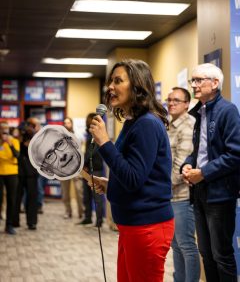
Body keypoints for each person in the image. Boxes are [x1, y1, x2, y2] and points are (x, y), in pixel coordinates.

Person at [88, 59, 174, 282]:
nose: (111, 88)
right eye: (110, 82)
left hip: (147, 226)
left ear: (137, 85)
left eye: (118, 81)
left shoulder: (147, 123)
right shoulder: (132, 122)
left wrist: (105, 144)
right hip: (131, 224)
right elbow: (136, 174)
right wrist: (111, 184)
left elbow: (134, 178)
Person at [182, 63, 240, 282]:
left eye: (199, 80)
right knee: (206, 254)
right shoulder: (200, 112)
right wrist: (187, 165)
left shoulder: (228, 111)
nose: (194, 85)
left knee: (221, 255)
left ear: (215, 83)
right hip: (199, 193)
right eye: (192, 81)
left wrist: (203, 173)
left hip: (220, 194)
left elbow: (235, 154)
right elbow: (200, 152)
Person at [166, 87, 200, 282]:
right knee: (176, 245)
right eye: (169, 100)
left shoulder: (188, 125)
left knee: (186, 245)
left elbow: (180, 166)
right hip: (170, 195)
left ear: (187, 104)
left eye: (176, 100)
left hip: (183, 195)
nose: (171, 103)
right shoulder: (171, 125)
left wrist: (159, 186)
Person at [78, 113, 104, 227]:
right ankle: (87, 217)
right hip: (86, 169)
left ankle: (99, 220)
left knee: (97, 196)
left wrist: (85, 163)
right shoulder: (87, 135)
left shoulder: (97, 134)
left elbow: (92, 151)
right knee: (86, 196)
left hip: (95, 169)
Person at [13, 122, 39, 230]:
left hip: (31, 172)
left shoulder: (35, 139)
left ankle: (32, 222)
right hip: (19, 172)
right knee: (16, 197)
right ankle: (14, 221)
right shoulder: (16, 140)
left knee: (32, 198)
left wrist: (31, 142)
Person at [60, 117, 83, 219]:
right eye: (65, 123)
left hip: (76, 167)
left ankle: (81, 212)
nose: (66, 124)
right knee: (65, 192)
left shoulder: (77, 136)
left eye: (68, 123)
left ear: (72, 124)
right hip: (64, 168)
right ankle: (67, 211)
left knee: (79, 190)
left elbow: (80, 151)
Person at [0, 121, 20, 235]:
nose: (4, 132)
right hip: (0, 173)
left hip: (12, 173)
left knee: (11, 199)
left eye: (6, 130)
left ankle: (9, 225)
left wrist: (9, 144)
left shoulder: (14, 141)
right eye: (2, 130)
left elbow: (16, 155)